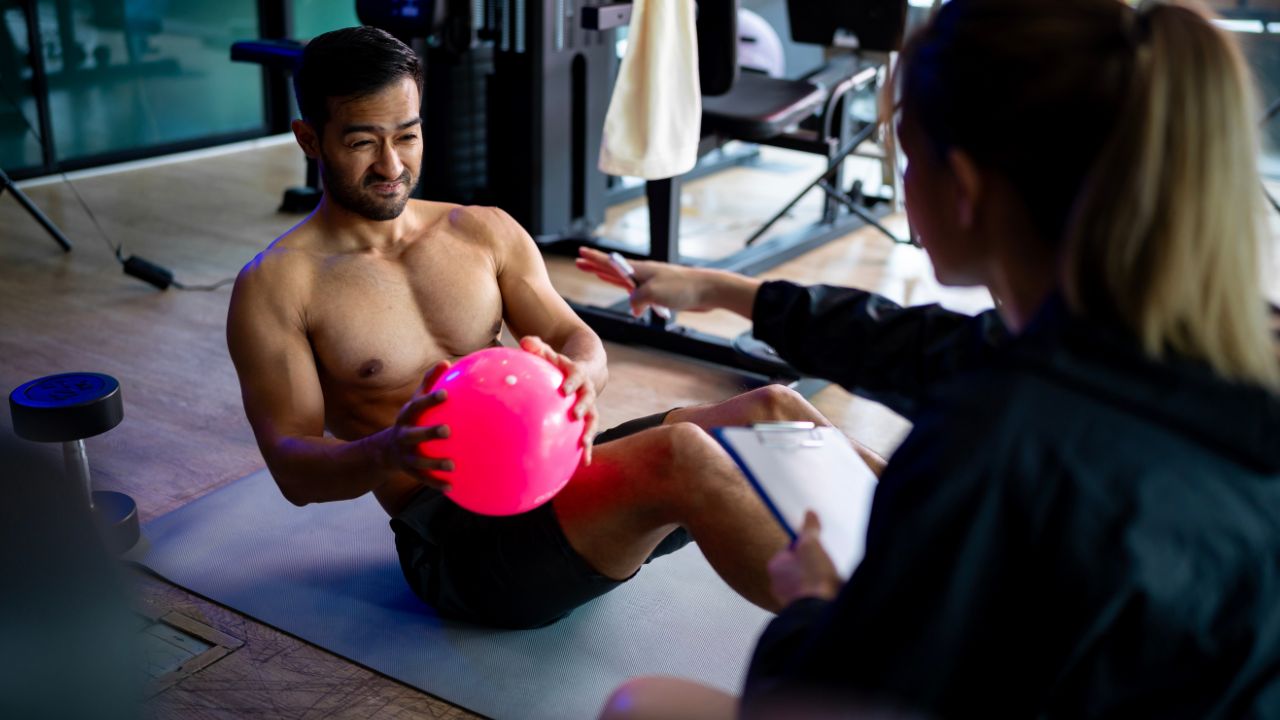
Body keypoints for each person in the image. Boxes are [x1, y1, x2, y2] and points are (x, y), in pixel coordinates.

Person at [589, 0, 1280, 716]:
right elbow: (915, 345)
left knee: (643, 704)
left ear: (966, 190)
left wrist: (813, 602)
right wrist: (720, 290)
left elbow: (840, 693)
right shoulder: (1229, 344)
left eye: (910, 157)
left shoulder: (992, 442)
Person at [225, 25, 863, 630]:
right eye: (363, 142)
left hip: (550, 471)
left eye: (408, 136)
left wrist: (582, 373)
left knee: (777, 410)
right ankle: (868, 639)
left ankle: (923, 547)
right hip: (456, 540)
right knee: (683, 455)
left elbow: (577, 338)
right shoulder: (277, 287)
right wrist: (392, 448)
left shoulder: (480, 231)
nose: (392, 164)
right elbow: (293, 469)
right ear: (310, 139)